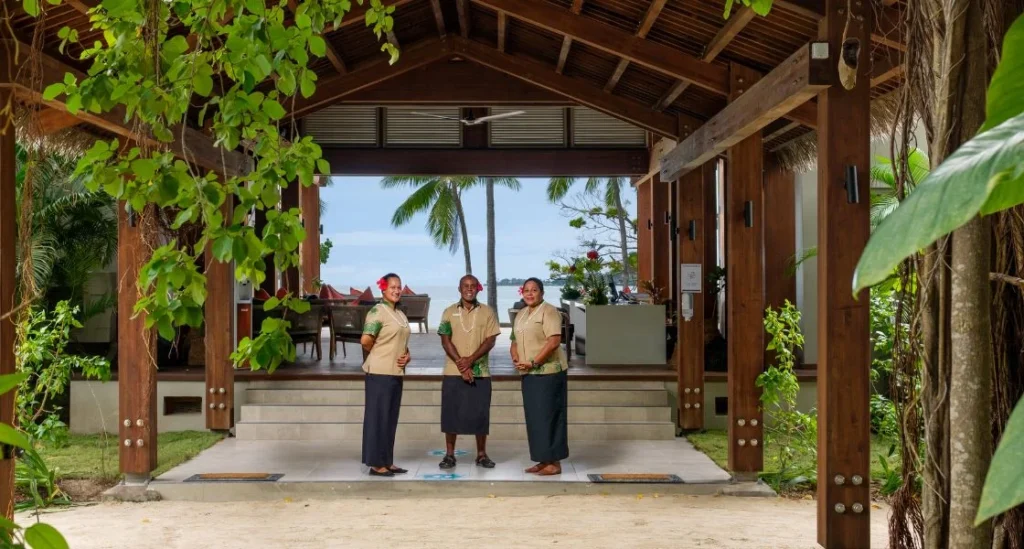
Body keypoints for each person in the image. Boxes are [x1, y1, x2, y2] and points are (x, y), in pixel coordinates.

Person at [436, 274, 501, 469]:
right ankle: (449, 455)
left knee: (480, 414)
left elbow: (491, 340)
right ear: (459, 288)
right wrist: (461, 364)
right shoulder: (448, 312)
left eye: (473, 285)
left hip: (480, 372)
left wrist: (470, 361)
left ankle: (481, 455)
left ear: (478, 288)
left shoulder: (488, 312)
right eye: (465, 285)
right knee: (451, 414)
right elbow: (445, 340)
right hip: (453, 371)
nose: (469, 289)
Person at [510, 277, 569, 476]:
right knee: (536, 418)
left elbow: (553, 342)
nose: (529, 293)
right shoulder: (521, 314)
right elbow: (514, 340)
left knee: (550, 416)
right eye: (526, 290)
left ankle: (555, 462)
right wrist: (515, 356)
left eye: (534, 290)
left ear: (542, 293)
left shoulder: (549, 311)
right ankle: (543, 460)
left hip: (548, 373)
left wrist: (534, 362)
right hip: (528, 373)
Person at [360, 273, 412, 477]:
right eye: (392, 287)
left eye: (399, 287)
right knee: (377, 418)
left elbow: (401, 342)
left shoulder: (399, 313)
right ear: (383, 289)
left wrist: (407, 356)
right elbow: (365, 340)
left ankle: (387, 460)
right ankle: (375, 464)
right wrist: (380, 353)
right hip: (379, 372)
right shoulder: (377, 311)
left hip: (395, 372)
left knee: (390, 418)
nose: (397, 290)